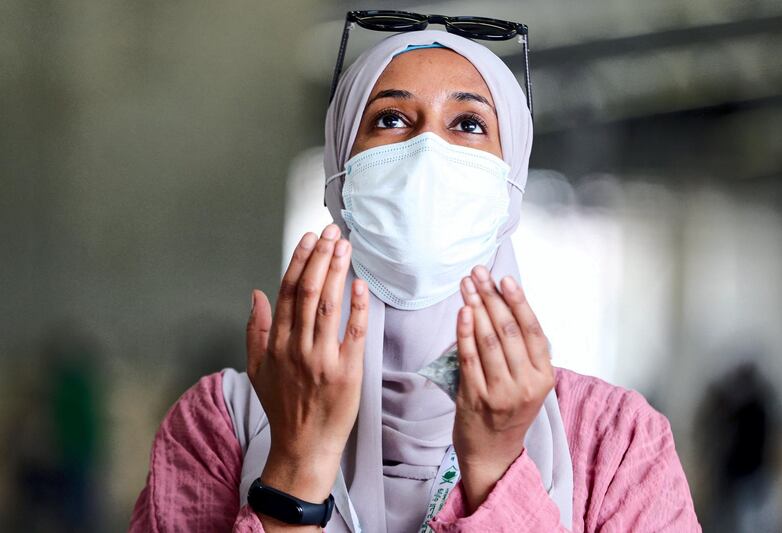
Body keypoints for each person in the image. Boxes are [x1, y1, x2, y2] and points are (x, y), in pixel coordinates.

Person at [129, 27, 700, 533]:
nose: (428, 150)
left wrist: (497, 469)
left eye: (469, 124)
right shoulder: (223, 423)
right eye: (391, 119)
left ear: (511, 182)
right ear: (340, 168)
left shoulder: (615, 442)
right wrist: (296, 465)